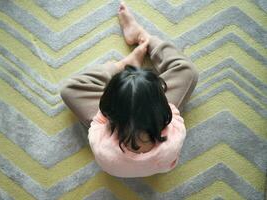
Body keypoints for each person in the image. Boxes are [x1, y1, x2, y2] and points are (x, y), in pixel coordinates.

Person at [60, 2, 198, 178]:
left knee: (69, 89)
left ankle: (124, 65)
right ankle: (145, 38)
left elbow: (98, 123)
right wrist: (165, 107)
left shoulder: (104, 148)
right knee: (188, 71)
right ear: (161, 106)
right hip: (159, 150)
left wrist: (105, 112)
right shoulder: (173, 140)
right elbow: (175, 117)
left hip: (114, 149)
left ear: (108, 108)